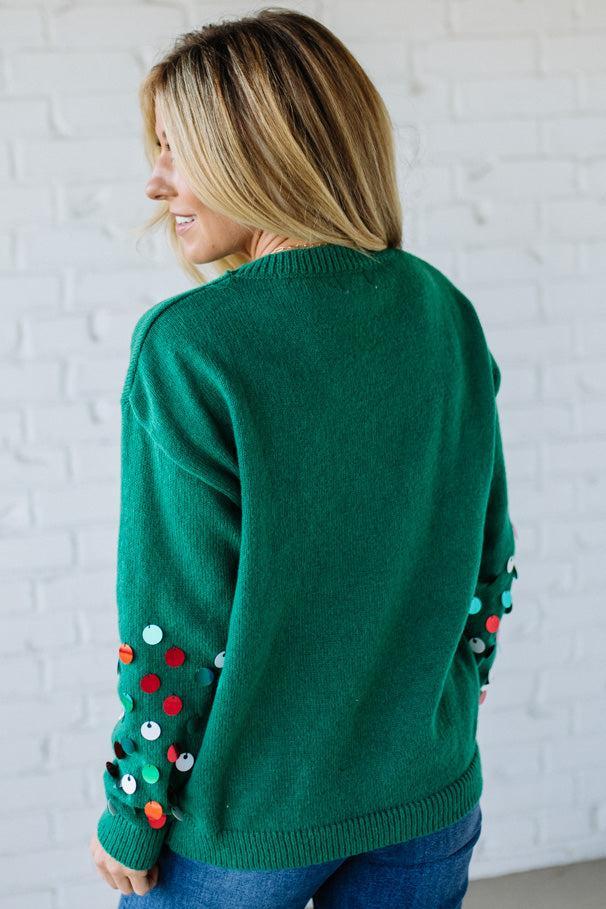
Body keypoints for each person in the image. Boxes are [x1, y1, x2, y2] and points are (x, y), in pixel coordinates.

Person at [89, 7, 518, 907]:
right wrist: (443, 706)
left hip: (251, 824)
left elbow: (177, 624)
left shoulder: (191, 346)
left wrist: (134, 805)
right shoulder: (443, 310)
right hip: (428, 793)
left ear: (255, 153)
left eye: (175, 151)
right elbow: (490, 564)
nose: (156, 183)